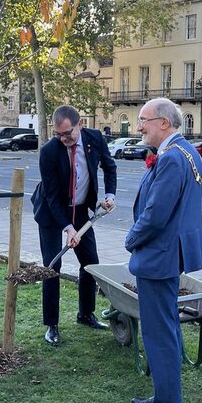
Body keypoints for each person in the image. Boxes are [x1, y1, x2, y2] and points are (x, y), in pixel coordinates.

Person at [124, 98, 202, 403]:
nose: (139, 127)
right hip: (170, 254)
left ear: (163, 122)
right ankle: (164, 395)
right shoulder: (189, 152)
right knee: (167, 330)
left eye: (143, 120)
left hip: (159, 256)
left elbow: (156, 213)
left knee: (160, 335)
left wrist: (131, 239)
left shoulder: (172, 159)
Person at [31, 105, 117, 346]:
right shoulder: (49, 151)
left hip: (80, 208)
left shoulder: (95, 138)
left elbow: (109, 167)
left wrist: (110, 196)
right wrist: (68, 228)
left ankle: (85, 314)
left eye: (67, 133)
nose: (63, 139)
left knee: (90, 262)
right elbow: (51, 195)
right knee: (52, 265)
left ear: (80, 124)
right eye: (58, 134)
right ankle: (52, 325)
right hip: (51, 211)